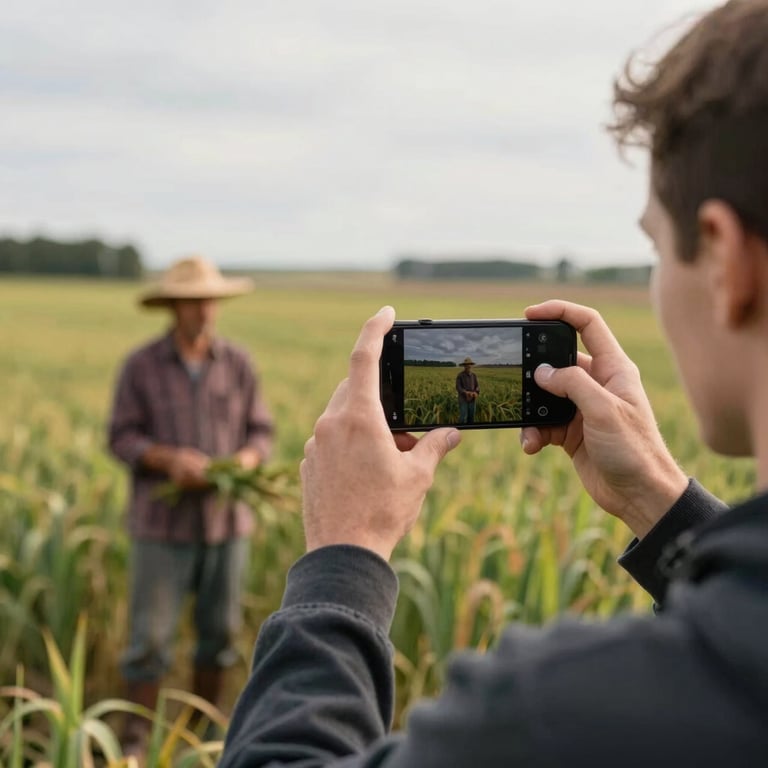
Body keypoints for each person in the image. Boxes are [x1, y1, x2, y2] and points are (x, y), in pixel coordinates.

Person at [220, 1, 768, 766]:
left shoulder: (553, 717)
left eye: (654, 247)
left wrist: (345, 552)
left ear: (723, 260)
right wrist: (659, 499)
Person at [108, 255, 274, 758]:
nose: (203, 310)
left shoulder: (239, 364)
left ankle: (205, 741)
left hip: (227, 526)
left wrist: (244, 461)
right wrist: (167, 459)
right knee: (150, 642)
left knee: (219, 636)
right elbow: (121, 438)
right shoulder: (140, 366)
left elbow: (261, 432)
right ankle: (135, 744)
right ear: (173, 306)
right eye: (192, 301)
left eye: (209, 301)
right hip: (161, 527)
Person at [455, 357, 480, 424]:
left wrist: (476, 392)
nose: (468, 366)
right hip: (463, 400)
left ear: (471, 365)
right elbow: (458, 387)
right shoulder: (460, 375)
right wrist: (466, 393)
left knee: (471, 417)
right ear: (464, 366)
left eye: (469, 364)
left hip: (472, 400)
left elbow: (477, 386)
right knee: (463, 417)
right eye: (466, 365)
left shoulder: (474, 375)